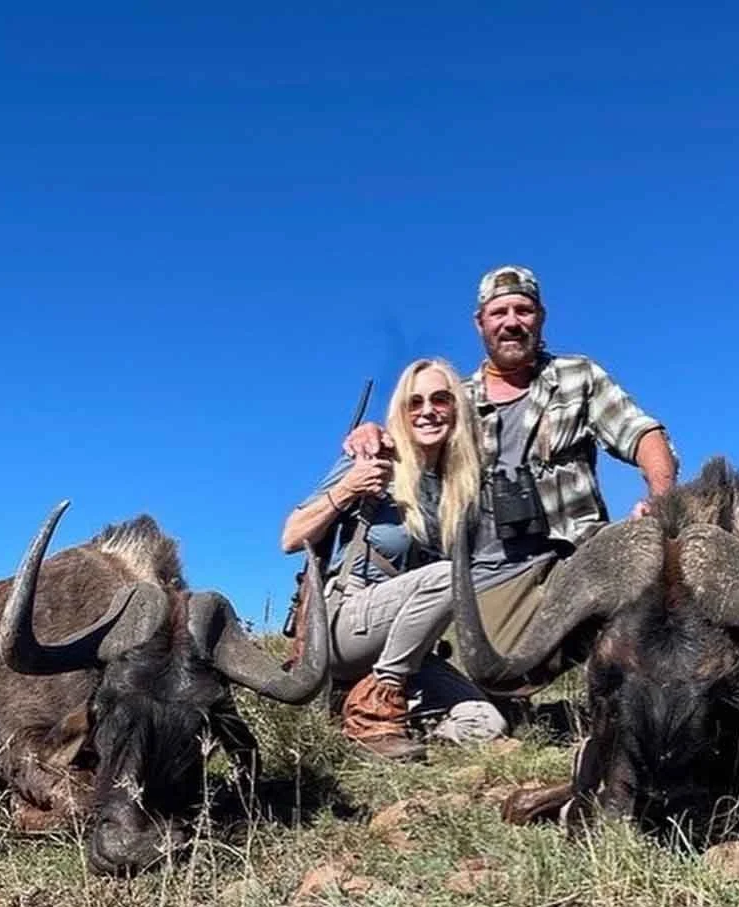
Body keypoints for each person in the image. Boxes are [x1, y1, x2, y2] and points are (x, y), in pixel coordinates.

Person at [345, 266, 678, 657]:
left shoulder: (578, 375)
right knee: (498, 670)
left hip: (578, 556)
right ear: (480, 323)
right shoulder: (457, 399)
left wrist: (661, 501)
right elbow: (414, 435)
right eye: (499, 313)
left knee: (650, 624)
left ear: (541, 317)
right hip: (492, 570)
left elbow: (643, 435)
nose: (512, 323)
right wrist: (374, 432)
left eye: (523, 310)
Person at [282, 359, 508, 761]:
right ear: (400, 413)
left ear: (456, 408)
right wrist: (347, 489)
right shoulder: (373, 459)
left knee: (486, 721)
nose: (427, 411)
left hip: (406, 643)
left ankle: (394, 721)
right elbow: (291, 536)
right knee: (447, 577)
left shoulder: (462, 487)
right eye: (414, 402)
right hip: (343, 622)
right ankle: (374, 711)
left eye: (440, 399)